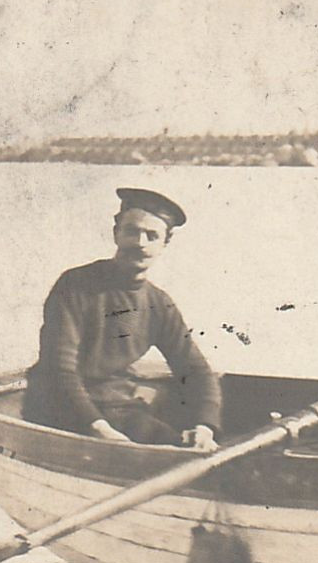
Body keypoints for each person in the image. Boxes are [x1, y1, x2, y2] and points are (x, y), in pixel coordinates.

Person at [23, 188, 222, 449]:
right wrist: (98, 427)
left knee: (182, 447)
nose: (140, 243)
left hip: (119, 409)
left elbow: (195, 370)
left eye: (152, 236)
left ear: (165, 243)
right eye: (132, 231)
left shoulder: (159, 304)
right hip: (59, 408)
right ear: (116, 233)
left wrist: (205, 427)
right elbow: (60, 369)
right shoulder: (75, 285)